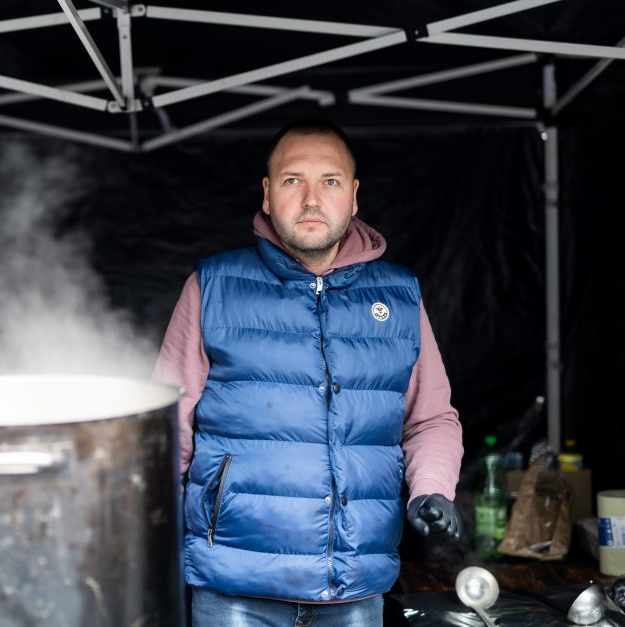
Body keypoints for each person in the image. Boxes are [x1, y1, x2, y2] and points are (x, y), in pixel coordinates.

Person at [154, 118, 463, 627]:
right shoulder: (213, 287)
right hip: (234, 584)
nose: (312, 198)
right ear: (268, 194)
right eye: (293, 180)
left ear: (355, 196)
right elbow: (166, 425)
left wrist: (432, 487)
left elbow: (430, 418)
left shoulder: (400, 297)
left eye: (331, 181)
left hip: (354, 588)